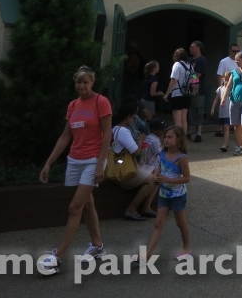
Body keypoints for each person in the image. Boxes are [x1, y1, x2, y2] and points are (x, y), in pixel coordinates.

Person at [39, 66, 112, 274]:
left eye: (85, 82)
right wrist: (48, 163)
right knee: (87, 205)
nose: (81, 85)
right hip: (75, 160)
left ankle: (57, 257)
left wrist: (100, 163)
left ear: (92, 83)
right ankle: (98, 247)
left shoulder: (101, 102)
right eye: (78, 82)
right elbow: (65, 136)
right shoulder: (72, 105)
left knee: (75, 207)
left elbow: (107, 134)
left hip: (93, 160)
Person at [141, 126, 191, 262]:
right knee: (158, 223)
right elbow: (159, 166)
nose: (166, 139)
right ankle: (147, 254)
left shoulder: (182, 158)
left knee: (181, 223)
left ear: (178, 139)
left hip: (177, 196)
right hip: (163, 194)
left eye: (170, 137)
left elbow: (187, 178)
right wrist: (156, 174)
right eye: (165, 136)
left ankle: (187, 248)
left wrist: (169, 179)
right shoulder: (162, 153)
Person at [111, 103, 159, 221]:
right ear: (128, 116)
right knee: (153, 180)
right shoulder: (123, 131)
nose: (134, 120)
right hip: (123, 168)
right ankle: (132, 209)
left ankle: (146, 207)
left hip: (119, 163)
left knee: (157, 173)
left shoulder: (115, 129)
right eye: (133, 117)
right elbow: (136, 152)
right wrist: (141, 140)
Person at [163, 48, 192, 132]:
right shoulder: (189, 66)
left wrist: (167, 94)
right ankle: (184, 139)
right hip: (187, 94)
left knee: (177, 120)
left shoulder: (177, 65)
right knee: (184, 119)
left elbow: (174, 80)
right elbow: (194, 79)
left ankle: (179, 139)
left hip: (177, 94)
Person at [214, 44, 240, 135]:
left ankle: (231, 126)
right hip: (226, 89)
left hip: (236, 90)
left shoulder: (239, 62)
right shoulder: (224, 61)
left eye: (237, 51)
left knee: (233, 108)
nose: (236, 53)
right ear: (230, 51)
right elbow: (219, 75)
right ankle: (220, 127)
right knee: (224, 109)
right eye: (234, 51)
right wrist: (220, 88)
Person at [187, 41, 207, 144]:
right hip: (187, 90)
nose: (190, 49)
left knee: (198, 110)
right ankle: (188, 131)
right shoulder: (189, 60)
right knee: (189, 111)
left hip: (198, 90)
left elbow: (197, 75)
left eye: (192, 47)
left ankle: (198, 133)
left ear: (198, 48)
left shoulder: (202, 60)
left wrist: (187, 79)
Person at [211, 76, 231, 151]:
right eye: (225, 79)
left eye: (228, 80)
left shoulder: (231, 89)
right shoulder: (220, 88)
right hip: (222, 111)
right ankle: (226, 142)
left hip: (228, 111)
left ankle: (225, 144)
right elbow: (216, 99)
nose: (226, 81)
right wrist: (213, 108)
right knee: (223, 128)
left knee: (226, 127)